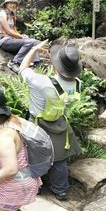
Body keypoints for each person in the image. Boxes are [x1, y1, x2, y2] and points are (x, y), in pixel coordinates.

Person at [19, 43, 82, 201]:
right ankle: (60, 190)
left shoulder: (40, 81)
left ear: (55, 65)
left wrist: (33, 50)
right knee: (59, 160)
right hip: (59, 123)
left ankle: (36, 187)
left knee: (33, 156)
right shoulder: (77, 84)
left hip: (38, 124)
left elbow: (23, 68)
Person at [0, 0, 43, 73]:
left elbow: (14, 30)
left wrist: (22, 36)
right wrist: (21, 37)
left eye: (14, 3)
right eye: (10, 3)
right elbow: (8, 31)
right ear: (6, 4)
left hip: (12, 40)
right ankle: (14, 62)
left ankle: (34, 63)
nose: (12, 5)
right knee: (30, 42)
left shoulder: (12, 15)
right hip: (5, 41)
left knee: (34, 41)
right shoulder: (2, 14)